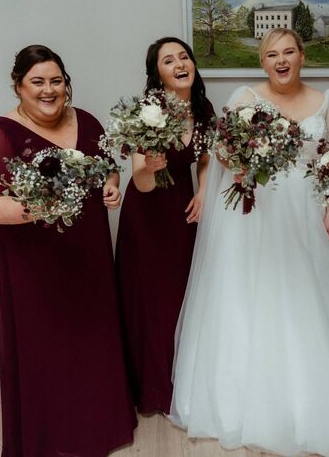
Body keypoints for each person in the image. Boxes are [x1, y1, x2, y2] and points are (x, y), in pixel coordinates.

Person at [169, 28, 329, 457]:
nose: (280, 61)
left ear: (303, 56)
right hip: (255, 210)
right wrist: (243, 166)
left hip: (304, 209)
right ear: (262, 62)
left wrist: (328, 210)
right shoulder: (244, 97)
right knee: (249, 297)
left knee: (305, 300)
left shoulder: (327, 102)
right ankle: (242, 404)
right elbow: (221, 151)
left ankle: (305, 405)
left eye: (289, 52)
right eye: (271, 54)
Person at [0, 44, 137, 456]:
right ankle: (51, 436)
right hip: (32, 265)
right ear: (19, 87)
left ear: (66, 84)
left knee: (91, 337)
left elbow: (108, 166)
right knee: (49, 348)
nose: (49, 90)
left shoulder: (89, 122)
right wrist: (34, 207)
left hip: (87, 254)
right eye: (37, 82)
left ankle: (100, 425)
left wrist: (111, 184)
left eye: (56, 81)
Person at [115, 37, 214, 414]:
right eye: (168, 60)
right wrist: (149, 168)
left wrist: (204, 190)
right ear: (158, 75)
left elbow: (204, 158)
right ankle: (154, 390)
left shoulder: (203, 109)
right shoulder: (149, 109)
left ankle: (183, 382)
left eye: (183, 56)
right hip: (148, 212)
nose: (179, 64)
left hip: (183, 209)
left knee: (183, 296)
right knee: (153, 301)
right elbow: (138, 178)